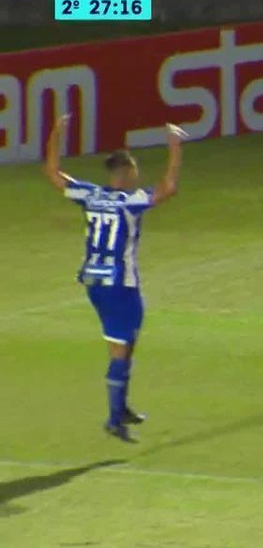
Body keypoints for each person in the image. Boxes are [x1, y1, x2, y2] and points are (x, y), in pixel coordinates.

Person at [43, 114, 184, 442]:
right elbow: (168, 188)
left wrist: (56, 134)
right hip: (119, 284)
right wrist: (176, 148)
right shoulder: (129, 202)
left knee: (126, 342)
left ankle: (121, 408)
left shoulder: (89, 195)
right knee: (121, 350)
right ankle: (112, 418)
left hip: (95, 281)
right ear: (128, 172)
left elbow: (51, 172)